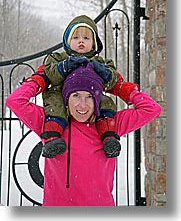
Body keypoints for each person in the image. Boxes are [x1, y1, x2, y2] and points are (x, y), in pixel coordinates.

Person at [6, 63, 162, 206]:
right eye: (76, 96)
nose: (82, 104)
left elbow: (151, 109)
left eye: (89, 97)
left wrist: (119, 87)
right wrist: (41, 79)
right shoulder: (50, 124)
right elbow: (15, 101)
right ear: (66, 99)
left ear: (97, 100)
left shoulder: (111, 126)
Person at [24, 15, 139, 158]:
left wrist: (105, 73)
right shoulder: (59, 58)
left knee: (106, 103)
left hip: (93, 96)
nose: (81, 42)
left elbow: (113, 81)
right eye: (76, 38)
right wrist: (64, 67)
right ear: (68, 41)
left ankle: (108, 136)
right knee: (55, 105)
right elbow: (50, 73)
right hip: (60, 93)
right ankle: (52, 139)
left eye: (86, 38)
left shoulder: (100, 61)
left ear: (94, 43)